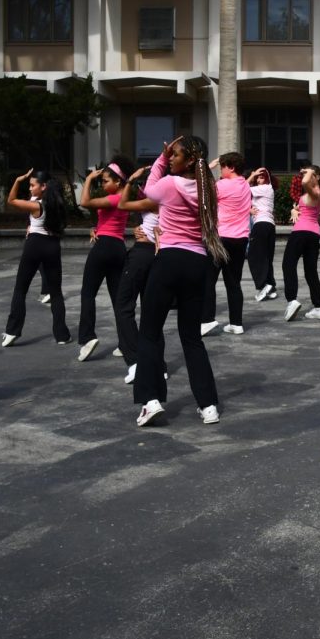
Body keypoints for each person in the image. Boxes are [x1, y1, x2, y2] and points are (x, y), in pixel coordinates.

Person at [132, 135, 228, 427]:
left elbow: (147, 189)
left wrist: (159, 160)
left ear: (188, 161)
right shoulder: (208, 187)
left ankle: (150, 401)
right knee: (191, 337)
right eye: (169, 155)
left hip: (170, 260)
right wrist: (168, 157)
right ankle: (208, 405)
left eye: (175, 155)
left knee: (149, 332)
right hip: (198, 263)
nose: (169, 157)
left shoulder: (170, 183)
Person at [2, 169, 71, 348]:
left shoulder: (36, 205)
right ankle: (62, 335)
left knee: (20, 289)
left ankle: (11, 331)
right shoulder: (56, 203)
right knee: (56, 293)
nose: (30, 188)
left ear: (43, 187)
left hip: (35, 246)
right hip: (52, 246)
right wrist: (31, 226)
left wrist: (18, 180)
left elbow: (11, 201)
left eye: (33, 185)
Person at [76, 156, 135, 361]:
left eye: (106, 181)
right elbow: (109, 222)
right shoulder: (124, 197)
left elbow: (84, 202)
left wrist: (90, 179)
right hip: (117, 247)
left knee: (87, 293)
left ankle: (87, 337)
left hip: (103, 248)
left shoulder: (115, 198)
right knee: (118, 299)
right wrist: (96, 229)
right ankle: (125, 343)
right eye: (101, 181)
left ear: (118, 182)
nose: (103, 183)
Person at [116, 167, 162, 384]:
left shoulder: (154, 201)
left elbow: (122, 204)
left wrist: (130, 181)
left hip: (143, 254)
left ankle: (136, 361)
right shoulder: (171, 200)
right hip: (157, 256)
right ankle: (157, 365)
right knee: (151, 313)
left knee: (123, 306)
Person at [202, 152, 253, 335]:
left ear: (230, 167)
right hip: (240, 239)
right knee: (233, 283)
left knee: (208, 280)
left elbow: (200, 191)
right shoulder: (246, 186)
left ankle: (207, 319)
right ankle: (236, 323)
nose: (220, 170)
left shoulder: (222, 185)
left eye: (222, 166)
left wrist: (207, 168)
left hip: (221, 238)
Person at [282, 164, 320, 321]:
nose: (303, 176)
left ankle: (292, 300)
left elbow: (304, 183)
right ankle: (318, 307)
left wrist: (309, 172)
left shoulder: (314, 190)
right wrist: (294, 210)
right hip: (313, 234)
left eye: (308, 174)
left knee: (288, 264)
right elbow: (301, 207)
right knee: (311, 271)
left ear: (315, 177)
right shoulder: (316, 193)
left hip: (301, 232)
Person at [247, 167, 279, 301]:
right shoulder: (266, 190)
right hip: (269, 226)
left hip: (261, 225)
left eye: (261, 177)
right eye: (257, 177)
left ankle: (262, 285)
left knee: (254, 256)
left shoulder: (265, 187)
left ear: (267, 178)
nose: (258, 179)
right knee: (266, 257)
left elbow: (240, 189)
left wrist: (251, 175)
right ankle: (270, 286)